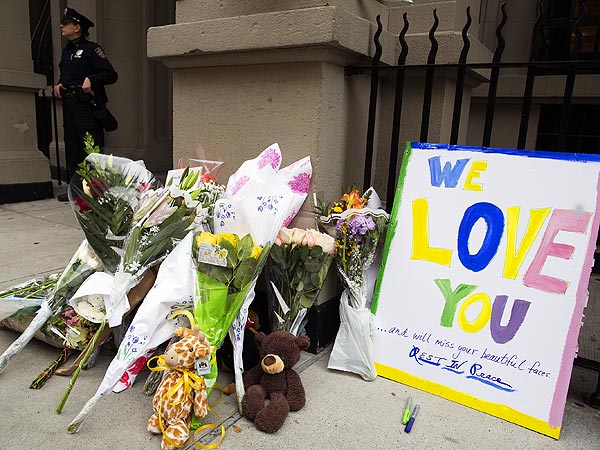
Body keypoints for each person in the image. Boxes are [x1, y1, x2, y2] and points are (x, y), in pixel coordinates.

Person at [53, 8, 118, 201]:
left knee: (91, 147)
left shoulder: (92, 49)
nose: (61, 26)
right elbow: (68, 75)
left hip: (87, 106)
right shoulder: (67, 52)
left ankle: (96, 190)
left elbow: (111, 75)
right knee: (72, 148)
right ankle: (76, 191)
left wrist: (91, 78)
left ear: (77, 27)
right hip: (70, 105)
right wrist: (59, 84)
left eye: (65, 23)